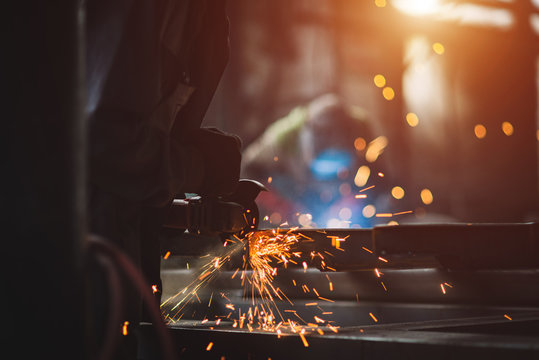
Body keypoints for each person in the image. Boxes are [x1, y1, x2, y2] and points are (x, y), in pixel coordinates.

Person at [86, 1, 240, 358]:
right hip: (77, 273)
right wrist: (198, 167)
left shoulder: (203, 14)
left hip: (117, 263)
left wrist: (186, 153)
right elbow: (105, 141)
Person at [242, 93, 389, 228]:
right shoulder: (282, 137)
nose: (326, 179)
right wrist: (280, 205)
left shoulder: (363, 132)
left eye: (337, 169)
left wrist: (354, 200)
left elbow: (381, 179)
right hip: (296, 194)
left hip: (344, 192)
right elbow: (246, 172)